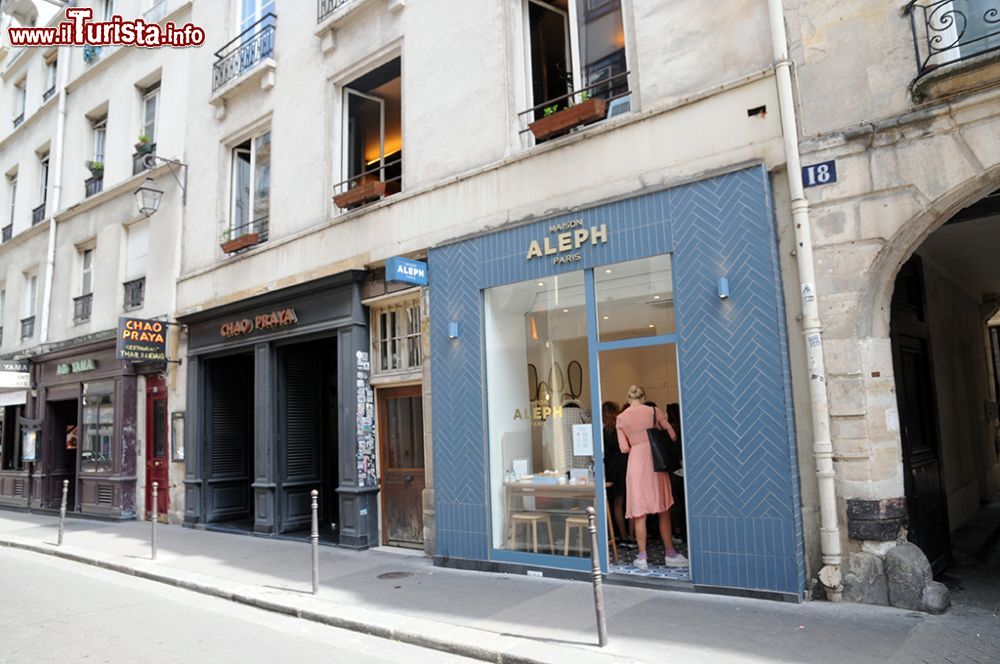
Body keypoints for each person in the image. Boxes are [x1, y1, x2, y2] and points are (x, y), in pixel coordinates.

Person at [616, 385, 688, 569]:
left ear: (628, 397)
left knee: (640, 513)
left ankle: (642, 557)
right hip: (656, 462)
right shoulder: (654, 411)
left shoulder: (621, 418)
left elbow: (623, 448)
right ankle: (670, 554)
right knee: (663, 509)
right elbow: (671, 434)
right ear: (644, 396)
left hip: (636, 464)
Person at [602, 401, 630, 542]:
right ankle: (632, 535)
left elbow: (605, 454)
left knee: (616, 502)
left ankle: (621, 534)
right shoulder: (621, 426)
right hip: (625, 465)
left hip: (611, 468)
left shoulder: (604, 431)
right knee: (629, 500)